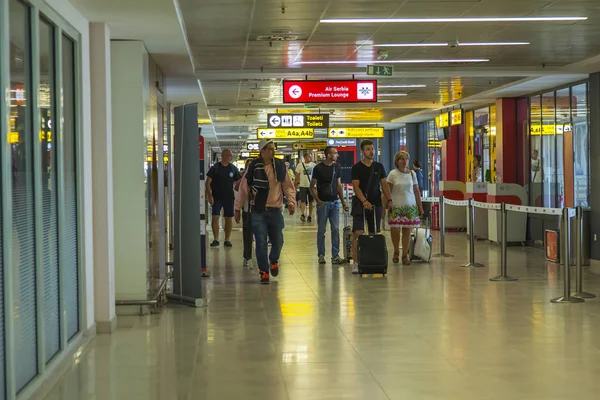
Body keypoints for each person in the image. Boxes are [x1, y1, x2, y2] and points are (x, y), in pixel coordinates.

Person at [235, 140, 296, 284]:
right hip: (258, 211)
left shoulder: (279, 166)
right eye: (269, 149)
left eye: (273, 149)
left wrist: (292, 201)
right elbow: (244, 188)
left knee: (278, 241)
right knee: (261, 242)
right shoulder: (254, 167)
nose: (272, 151)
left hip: (275, 210)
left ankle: (273, 259)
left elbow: (287, 185)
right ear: (262, 151)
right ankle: (263, 271)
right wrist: (237, 207)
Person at [350, 140, 392, 274]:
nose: (371, 151)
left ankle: (372, 260)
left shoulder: (379, 166)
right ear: (362, 151)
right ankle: (355, 262)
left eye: (372, 149)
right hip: (360, 204)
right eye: (368, 149)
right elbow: (356, 186)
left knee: (374, 233)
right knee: (358, 232)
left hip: (376, 203)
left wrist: (389, 199)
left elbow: (384, 184)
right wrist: (363, 201)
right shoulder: (357, 168)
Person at [310, 146, 349, 265]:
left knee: (335, 229)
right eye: (335, 153)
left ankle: (335, 255)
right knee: (321, 230)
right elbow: (312, 186)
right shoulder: (318, 168)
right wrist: (318, 200)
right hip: (323, 203)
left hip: (334, 202)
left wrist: (343, 202)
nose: (337, 155)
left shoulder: (336, 167)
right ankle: (321, 255)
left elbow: (338, 185)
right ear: (328, 155)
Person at [388, 151, 424, 265]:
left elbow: (416, 190)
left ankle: (404, 255)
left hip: (410, 205)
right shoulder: (392, 174)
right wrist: (386, 204)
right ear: (397, 161)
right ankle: (395, 251)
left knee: (407, 230)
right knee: (395, 229)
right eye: (402, 159)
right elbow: (387, 190)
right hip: (396, 205)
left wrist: (420, 206)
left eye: (406, 159)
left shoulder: (412, 174)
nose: (405, 161)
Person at [206, 149, 241, 248]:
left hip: (229, 197)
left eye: (231, 156)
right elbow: (207, 182)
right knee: (215, 217)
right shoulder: (215, 168)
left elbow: (239, 181)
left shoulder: (233, 168)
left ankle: (227, 239)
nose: (230, 157)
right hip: (216, 197)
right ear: (224, 156)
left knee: (228, 218)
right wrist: (210, 195)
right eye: (229, 155)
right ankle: (216, 239)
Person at [235, 158, 254, 268]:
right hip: (247, 209)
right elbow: (238, 189)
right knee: (247, 234)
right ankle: (247, 256)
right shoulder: (243, 176)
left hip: (260, 209)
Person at [295, 152, 316, 223]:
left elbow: (316, 176)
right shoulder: (300, 165)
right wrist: (296, 184)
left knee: (311, 201)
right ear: (304, 158)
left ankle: (310, 215)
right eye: (307, 157)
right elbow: (297, 175)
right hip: (302, 185)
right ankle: (302, 214)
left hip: (311, 186)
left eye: (310, 157)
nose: (309, 158)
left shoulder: (313, 165)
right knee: (303, 200)